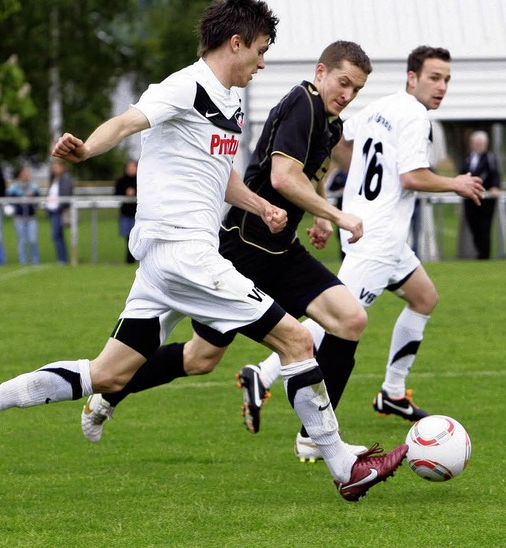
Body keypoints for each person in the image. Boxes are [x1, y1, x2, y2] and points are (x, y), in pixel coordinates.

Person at [0, 1, 407, 502]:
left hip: (169, 259)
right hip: (184, 253)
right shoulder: (184, 85)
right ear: (236, 43)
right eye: (261, 50)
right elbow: (127, 123)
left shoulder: (230, 103)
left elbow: (218, 173)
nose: (263, 63)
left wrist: (259, 206)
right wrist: (87, 150)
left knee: (109, 373)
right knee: (296, 342)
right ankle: (344, 467)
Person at [84, 40, 375, 463]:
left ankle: (314, 438)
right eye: (344, 83)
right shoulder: (303, 104)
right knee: (200, 358)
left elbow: (306, 177)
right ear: (321, 72)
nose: (347, 95)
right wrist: (341, 215)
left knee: (350, 319)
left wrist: (322, 217)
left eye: (357, 90)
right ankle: (112, 389)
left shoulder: (330, 123)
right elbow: (281, 177)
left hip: (282, 249)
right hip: (245, 249)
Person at [241, 46, 484, 434]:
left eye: (447, 80)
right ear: (412, 77)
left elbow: (337, 145)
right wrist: (454, 182)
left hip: (370, 229)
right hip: (376, 237)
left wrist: (325, 208)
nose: (441, 87)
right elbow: (412, 176)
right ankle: (266, 377)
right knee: (342, 319)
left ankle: (392, 391)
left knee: (424, 298)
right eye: (434, 78)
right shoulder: (417, 116)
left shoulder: (379, 107)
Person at [459, 130, 501, 259]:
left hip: (485, 199)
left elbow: (495, 174)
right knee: (473, 225)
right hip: (470, 198)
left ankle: (484, 255)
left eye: (480, 143)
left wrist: (494, 187)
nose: (478, 145)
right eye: (476, 143)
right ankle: (479, 252)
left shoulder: (490, 157)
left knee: (484, 227)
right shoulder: (468, 158)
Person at [7, 165, 40, 265]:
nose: (26, 175)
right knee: (22, 241)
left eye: (28, 173)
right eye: (24, 173)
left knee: (33, 240)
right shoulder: (13, 188)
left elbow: (37, 201)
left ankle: (35, 262)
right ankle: (23, 262)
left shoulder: (34, 187)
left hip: (31, 218)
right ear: (20, 174)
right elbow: (9, 202)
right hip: (19, 218)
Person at [45, 159, 74, 264]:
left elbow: (66, 194)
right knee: (58, 236)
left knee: (57, 235)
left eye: (56, 166)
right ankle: (62, 258)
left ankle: (62, 259)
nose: (54, 168)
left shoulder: (66, 179)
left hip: (59, 211)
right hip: (52, 211)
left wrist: (59, 207)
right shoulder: (53, 179)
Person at [114, 159, 138, 264]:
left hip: (138, 214)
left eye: (133, 167)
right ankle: (130, 259)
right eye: (129, 167)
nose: (131, 169)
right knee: (128, 237)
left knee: (137, 236)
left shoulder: (141, 180)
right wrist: (125, 192)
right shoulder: (121, 181)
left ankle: (135, 258)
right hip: (125, 213)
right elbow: (116, 194)